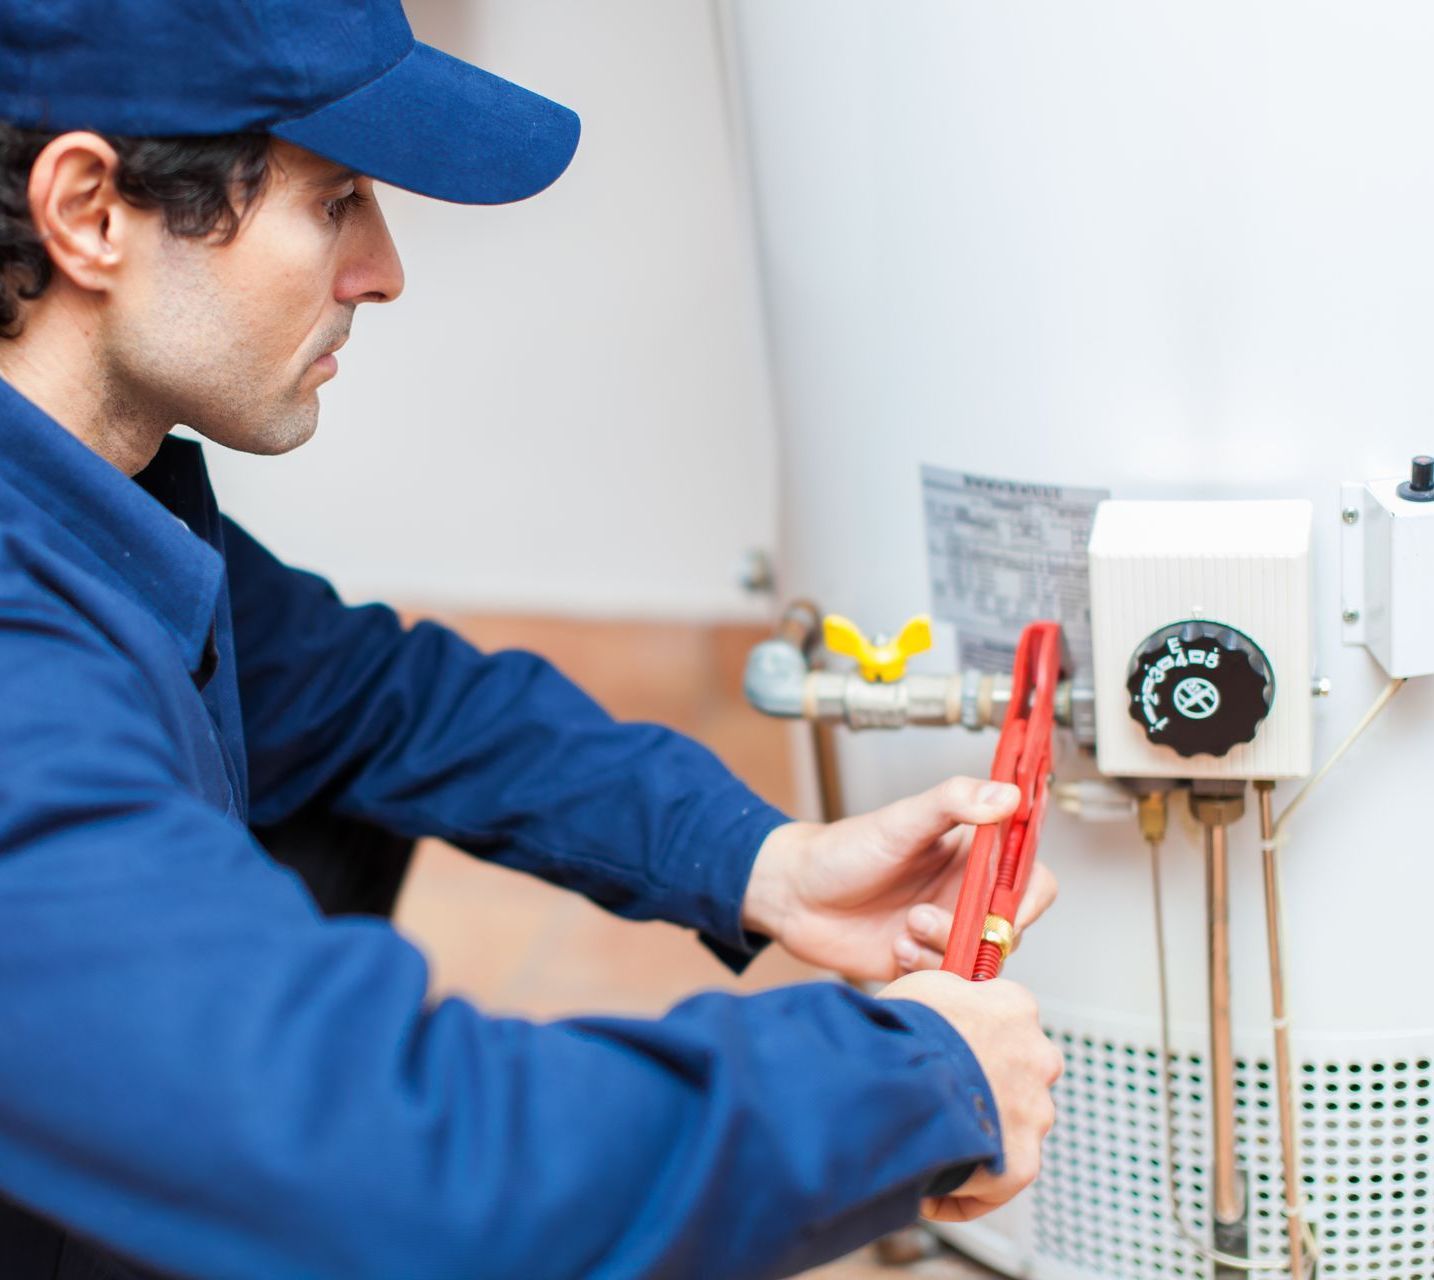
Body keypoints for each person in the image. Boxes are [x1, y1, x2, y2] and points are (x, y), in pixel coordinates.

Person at [0, 3, 1063, 1278]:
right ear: (92, 212)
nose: (383, 269)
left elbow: (383, 698)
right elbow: (398, 1165)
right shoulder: (22, 678)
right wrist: (910, 1086)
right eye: (335, 200)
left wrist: (761, 860)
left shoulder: (96, 506)